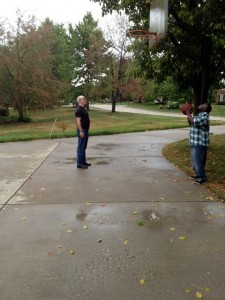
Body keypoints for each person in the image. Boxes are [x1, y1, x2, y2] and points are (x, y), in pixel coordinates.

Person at [186, 102, 212, 184]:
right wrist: (189, 114)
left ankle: (202, 177)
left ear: (205, 108)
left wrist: (188, 112)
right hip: (194, 142)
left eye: (203, 104)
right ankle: (198, 175)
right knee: (195, 162)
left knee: (198, 161)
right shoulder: (199, 115)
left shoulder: (204, 115)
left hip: (200, 143)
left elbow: (194, 121)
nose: (201, 104)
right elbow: (191, 122)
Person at [75, 95, 91, 169]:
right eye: (83, 99)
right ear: (80, 101)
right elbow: (78, 121)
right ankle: (79, 164)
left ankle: (83, 162)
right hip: (82, 130)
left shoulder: (83, 109)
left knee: (83, 147)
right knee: (81, 147)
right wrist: (81, 131)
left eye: (85, 98)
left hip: (85, 130)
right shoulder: (78, 110)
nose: (85, 100)